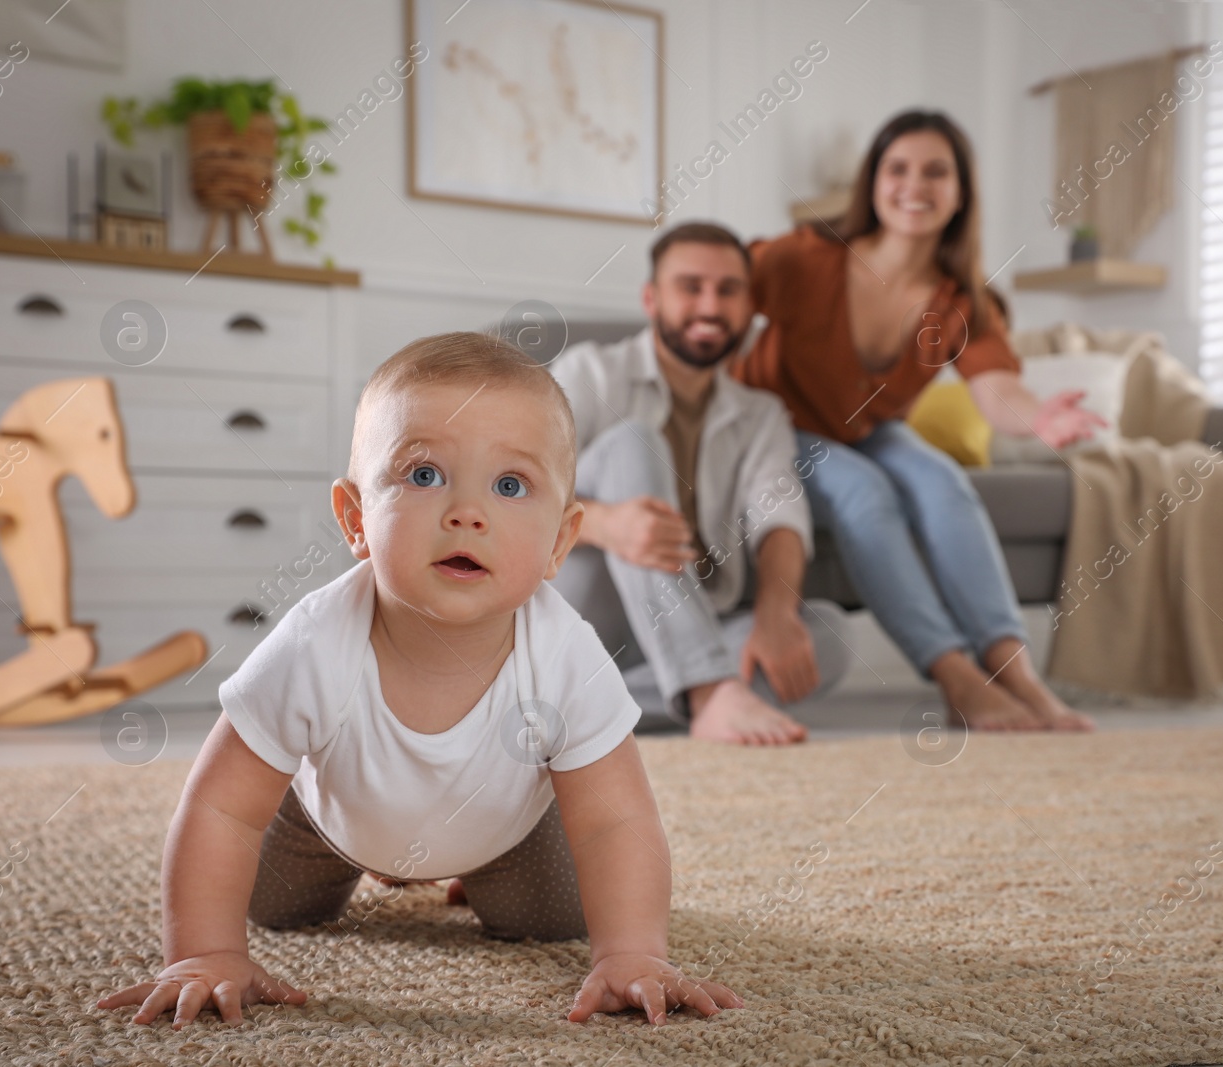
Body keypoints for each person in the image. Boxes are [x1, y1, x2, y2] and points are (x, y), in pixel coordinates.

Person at [97, 333, 741, 1029]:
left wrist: (635, 953)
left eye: (510, 485)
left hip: (503, 832)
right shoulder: (315, 643)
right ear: (356, 520)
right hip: (330, 823)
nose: (468, 512)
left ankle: (473, 866)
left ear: (560, 540)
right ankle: (349, 862)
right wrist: (202, 952)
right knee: (272, 904)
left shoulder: (565, 653)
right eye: (425, 475)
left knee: (559, 917)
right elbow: (220, 807)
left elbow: (617, 818)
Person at [731, 110, 1103, 732]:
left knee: (943, 482)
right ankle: (958, 680)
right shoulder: (806, 257)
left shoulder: (961, 300)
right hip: (777, 427)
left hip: (867, 428)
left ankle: (1017, 675)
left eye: (936, 172)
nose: (914, 185)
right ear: (872, 183)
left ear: (961, 193)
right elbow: (717, 291)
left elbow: (996, 387)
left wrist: (1039, 418)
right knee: (865, 490)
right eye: (897, 169)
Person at [549, 222, 849, 747]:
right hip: (586, 615)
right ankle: (709, 690)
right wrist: (606, 524)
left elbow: (780, 514)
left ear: (748, 305)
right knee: (631, 443)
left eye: (728, 290)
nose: (710, 306)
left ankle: (576, 710)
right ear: (652, 298)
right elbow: (508, 490)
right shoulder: (589, 373)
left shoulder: (760, 414)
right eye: (691, 287)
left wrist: (777, 616)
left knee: (826, 633)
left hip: (692, 622)